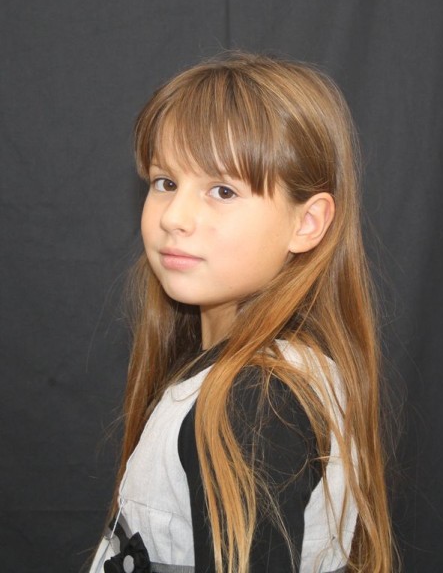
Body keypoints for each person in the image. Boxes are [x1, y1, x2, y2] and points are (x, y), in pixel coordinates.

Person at [89, 52, 392, 573]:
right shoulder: (255, 376)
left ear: (307, 223)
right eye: (165, 182)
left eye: (223, 190)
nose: (175, 217)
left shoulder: (255, 400)